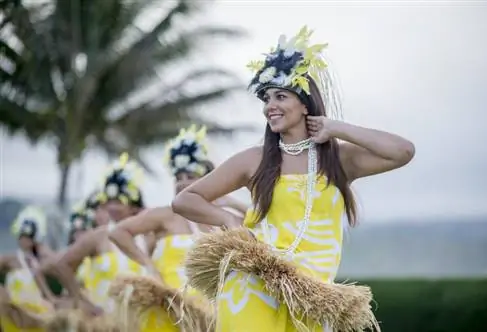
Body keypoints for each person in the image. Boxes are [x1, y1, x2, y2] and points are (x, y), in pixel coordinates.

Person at [171, 26, 415, 331]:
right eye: (266, 98)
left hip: (313, 298)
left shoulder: (338, 160)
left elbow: (403, 151)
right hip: (253, 285)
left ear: (304, 104)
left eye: (280, 96)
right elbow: (184, 200)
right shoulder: (255, 159)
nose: (270, 105)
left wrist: (336, 128)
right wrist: (231, 222)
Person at [107, 125, 248, 332]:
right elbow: (118, 232)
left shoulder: (222, 218)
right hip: (169, 310)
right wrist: (149, 266)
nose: (182, 184)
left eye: (190, 177)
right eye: (178, 178)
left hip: (211, 314)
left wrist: (230, 201)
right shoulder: (166, 215)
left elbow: (261, 224)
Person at [43, 153, 150, 321]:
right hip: (103, 322)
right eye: (109, 201)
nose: (113, 207)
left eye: (119, 202)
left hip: (140, 321)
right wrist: (83, 303)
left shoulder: (146, 237)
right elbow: (62, 265)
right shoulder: (98, 236)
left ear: (133, 206)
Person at [0, 206, 58, 331]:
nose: (25, 240)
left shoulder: (39, 261)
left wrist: (52, 300)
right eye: (23, 236)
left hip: (35, 312)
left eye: (29, 237)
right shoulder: (11, 259)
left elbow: (58, 264)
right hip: (13, 312)